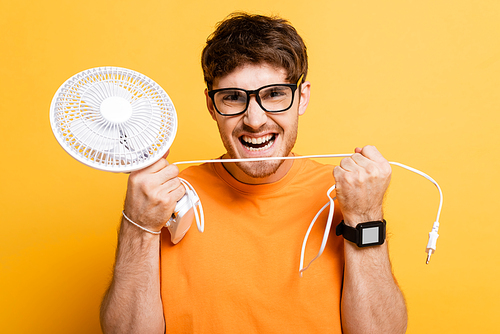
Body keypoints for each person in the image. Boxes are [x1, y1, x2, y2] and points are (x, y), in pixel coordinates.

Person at [100, 12, 408, 334]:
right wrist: (139, 225)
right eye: (233, 98)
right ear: (210, 105)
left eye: (274, 94)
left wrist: (365, 215)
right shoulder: (163, 198)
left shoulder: (348, 194)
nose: (256, 120)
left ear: (301, 98)